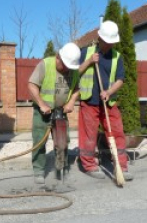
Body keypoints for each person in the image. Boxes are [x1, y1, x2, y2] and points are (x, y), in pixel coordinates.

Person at [78, 20, 133, 181]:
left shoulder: (117, 57)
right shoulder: (86, 52)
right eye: (107, 42)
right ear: (100, 38)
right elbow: (75, 74)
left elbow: (120, 79)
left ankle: (121, 165)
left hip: (108, 102)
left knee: (117, 132)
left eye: (112, 42)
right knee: (89, 134)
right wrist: (88, 62)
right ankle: (88, 164)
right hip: (89, 101)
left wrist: (109, 91)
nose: (109, 45)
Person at [28, 42, 81, 184]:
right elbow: (32, 85)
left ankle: (60, 169)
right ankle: (39, 171)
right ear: (58, 57)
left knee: (63, 143)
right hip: (43, 113)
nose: (67, 69)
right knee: (39, 142)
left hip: (61, 112)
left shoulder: (73, 69)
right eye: (65, 65)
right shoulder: (45, 65)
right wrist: (41, 104)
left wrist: (71, 102)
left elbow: (77, 88)